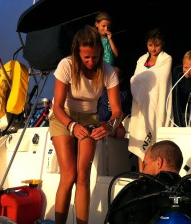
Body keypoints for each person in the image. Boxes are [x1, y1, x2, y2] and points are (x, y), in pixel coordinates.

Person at [49, 25, 122, 224]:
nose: (91, 62)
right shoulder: (66, 65)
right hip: (63, 116)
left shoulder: (107, 71)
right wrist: (72, 126)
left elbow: (117, 111)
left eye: (95, 57)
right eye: (86, 57)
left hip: (90, 118)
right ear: (77, 53)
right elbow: (57, 107)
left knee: (83, 176)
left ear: (101, 53)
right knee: (69, 174)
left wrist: (109, 126)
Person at [128, 27, 173, 172]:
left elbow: (161, 79)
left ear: (163, 44)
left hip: (156, 106)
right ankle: (142, 173)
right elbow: (135, 80)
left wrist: (141, 80)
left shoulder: (167, 59)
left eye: (157, 45)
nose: (153, 49)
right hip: (140, 107)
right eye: (150, 45)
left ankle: (155, 172)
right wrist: (140, 81)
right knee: (141, 135)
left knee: (155, 141)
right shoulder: (141, 59)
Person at [97, 66, 132, 138]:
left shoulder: (125, 94)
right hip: (101, 122)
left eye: (115, 79)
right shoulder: (101, 91)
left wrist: (114, 123)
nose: (112, 81)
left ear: (121, 80)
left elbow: (125, 111)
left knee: (120, 132)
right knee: (100, 130)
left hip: (115, 123)